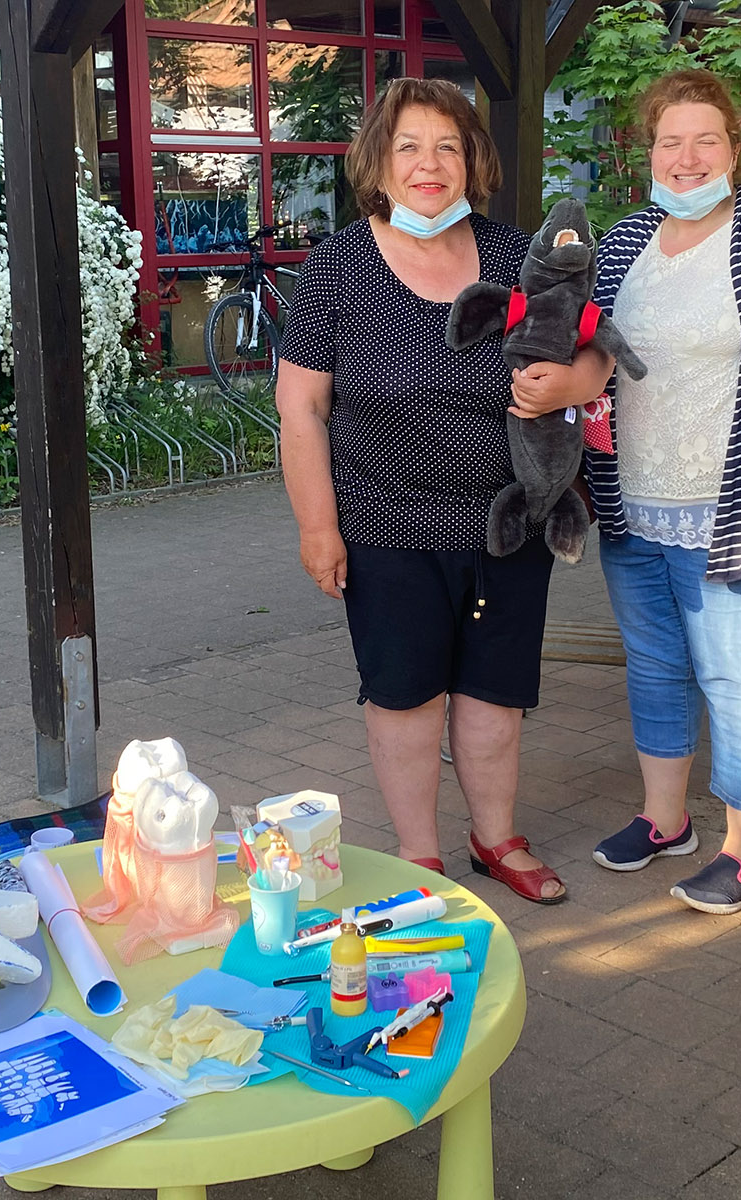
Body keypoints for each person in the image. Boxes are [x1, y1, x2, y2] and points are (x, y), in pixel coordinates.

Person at [513, 69, 741, 914]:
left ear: (735, 146)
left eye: (706, 139)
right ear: (648, 153)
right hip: (636, 501)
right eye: (670, 141)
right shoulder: (625, 243)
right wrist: (559, 384)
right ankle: (666, 821)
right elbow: (595, 345)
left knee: (740, 678)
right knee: (657, 667)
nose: (687, 157)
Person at [274, 78, 603, 905]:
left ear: (472, 162)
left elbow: (598, 351)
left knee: (497, 695)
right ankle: (418, 856)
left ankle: (496, 838)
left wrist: (566, 385)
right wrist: (319, 528)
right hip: (384, 525)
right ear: (378, 162)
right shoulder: (338, 268)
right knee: (405, 694)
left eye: (447, 147)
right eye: (409, 146)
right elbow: (301, 407)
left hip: (507, 520)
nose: (430, 164)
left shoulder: (517, 255)